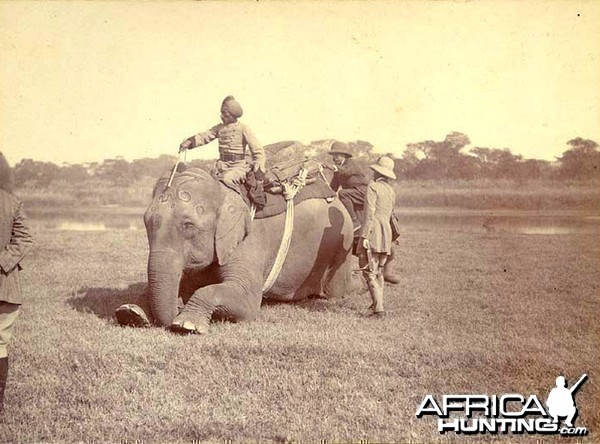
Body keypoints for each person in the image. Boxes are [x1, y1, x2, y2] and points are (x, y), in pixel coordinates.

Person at [179, 95, 266, 206]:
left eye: (225, 114)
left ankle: (238, 208)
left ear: (233, 116)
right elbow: (205, 136)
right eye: (221, 113)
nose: (221, 116)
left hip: (238, 167)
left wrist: (259, 176)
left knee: (226, 181)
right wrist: (189, 142)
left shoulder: (243, 128)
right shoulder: (219, 128)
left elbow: (258, 151)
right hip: (220, 166)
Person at [0, 152, 34, 414]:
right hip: (6, 285)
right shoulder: (12, 201)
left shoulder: (11, 202)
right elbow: (24, 238)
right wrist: (3, 262)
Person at [358, 156, 396, 317]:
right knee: (378, 270)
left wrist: (365, 235)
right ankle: (376, 304)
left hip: (374, 231)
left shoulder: (373, 187)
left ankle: (378, 309)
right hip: (386, 232)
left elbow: (369, 213)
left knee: (369, 270)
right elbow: (391, 215)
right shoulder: (390, 190)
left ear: (376, 172)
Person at [328, 142, 369, 232]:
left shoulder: (352, 163)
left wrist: (333, 168)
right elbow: (333, 186)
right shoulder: (338, 169)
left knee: (342, 193)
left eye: (337, 156)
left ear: (344, 156)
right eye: (333, 156)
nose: (334, 159)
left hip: (362, 193)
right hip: (352, 196)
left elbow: (347, 172)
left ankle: (355, 222)